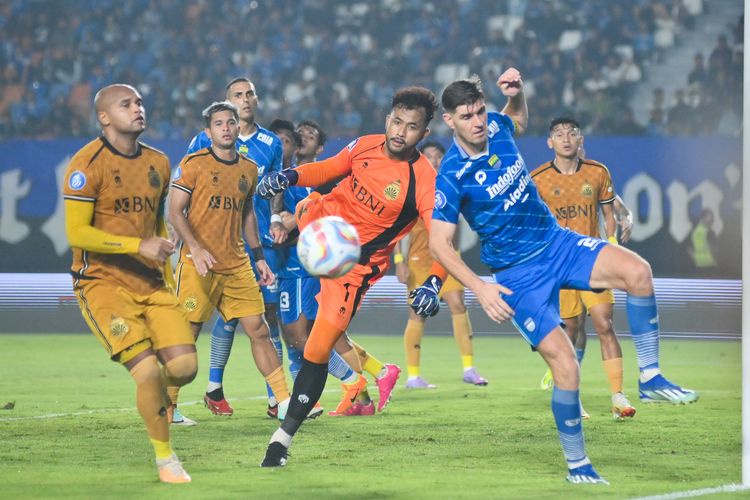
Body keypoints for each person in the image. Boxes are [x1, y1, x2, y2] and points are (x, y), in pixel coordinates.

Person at [428, 69, 698, 484]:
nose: (479, 121)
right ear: (450, 121)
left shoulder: (498, 127)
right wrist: (480, 287)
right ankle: (578, 466)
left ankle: (650, 377)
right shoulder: (451, 175)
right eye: (467, 116)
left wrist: (516, 96)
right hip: (517, 276)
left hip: (558, 244)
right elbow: (440, 245)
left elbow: (516, 118)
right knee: (567, 366)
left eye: (480, 111)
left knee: (638, 271)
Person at [258, 86, 446, 466]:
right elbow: (328, 170)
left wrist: (434, 280)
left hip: (352, 268)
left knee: (314, 346)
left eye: (411, 127)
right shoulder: (366, 144)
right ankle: (286, 219)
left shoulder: (423, 180)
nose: (400, 131)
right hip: (319, 225)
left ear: (423, 135)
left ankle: (282, 439)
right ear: (387, 119)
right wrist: (289, 176)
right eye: (396, 121)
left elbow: (442, 240)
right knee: (295, 328)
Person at [63, 84, 196, 483]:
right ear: (104, 117)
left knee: (185, 368)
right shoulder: (86, 165)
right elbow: (76, 234)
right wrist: (138, 244)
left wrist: (161, 254)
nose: (138, 108)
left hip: (151, 282)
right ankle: (166, 458)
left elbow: (155, 221)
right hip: (102, 283)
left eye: (139, 102)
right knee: (149, 374)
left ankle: (151, 387)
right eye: (127, 104)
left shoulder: (158, 162)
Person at [169, 101, 291, 420]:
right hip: (198, 264)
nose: (225, 128)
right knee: (188, 334)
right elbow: (175, 210)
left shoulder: (248, 168)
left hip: (237, 264)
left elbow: (247, 213)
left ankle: (284, 401)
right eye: (218, 123)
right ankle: (167, 405)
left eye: (230, 122)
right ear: (208, 132)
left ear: (238, 127)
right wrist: (194, 247)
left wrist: (259, 257)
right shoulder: (193, 164)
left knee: (259, 329)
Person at [532, 117, 636, 421]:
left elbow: (608, 214)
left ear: (580, 140)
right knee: (571, 331)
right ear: (550, 142)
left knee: (605, 323)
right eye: (559, 134)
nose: (566, 138)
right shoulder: (537, 178)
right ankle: (571, 395)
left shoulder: (597, 172)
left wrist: (613, 245)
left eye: (572, 133)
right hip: (559, 265)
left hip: (592, 262)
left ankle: (618, 395)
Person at [269, 118, 365, 418]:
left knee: (301, 338)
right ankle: (307, 401)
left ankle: (354, 382)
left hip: (301, 267)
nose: (282, 144)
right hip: (285, 266)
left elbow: (301, 218)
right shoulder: (278, 178)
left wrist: (287, 221)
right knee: (296, 338)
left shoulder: (315, 181)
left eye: (287, 140)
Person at [394, 141, 488, 389]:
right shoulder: (410, 189)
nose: (434, 161)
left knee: (458, 304)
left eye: (438, 156)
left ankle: (469, 368)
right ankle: (413, 376)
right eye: (429, 157)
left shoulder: (451, 185)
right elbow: (398, 230)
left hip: (447, 259)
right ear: (421, 160)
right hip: (418, 260)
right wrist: (399, 261)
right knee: (418, 313)